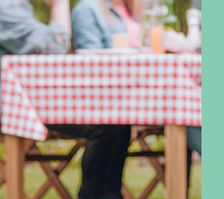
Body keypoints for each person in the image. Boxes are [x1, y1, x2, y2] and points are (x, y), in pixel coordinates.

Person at [0, 0, 139, 199]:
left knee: (116, 118)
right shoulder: (1, 5)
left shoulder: (11, 5)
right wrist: (59, 5)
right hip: (8, 107)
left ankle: (110, 198)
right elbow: (54, 47)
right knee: (104, 124)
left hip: (25, 100)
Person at [72, 0, 201, 187]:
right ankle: (100, 196)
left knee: (186, 107)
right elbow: (90, 59)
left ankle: (180, 194)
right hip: (111, 95)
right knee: (182, 112)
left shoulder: (133, 9)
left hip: (143, 91)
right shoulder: (89, 8)